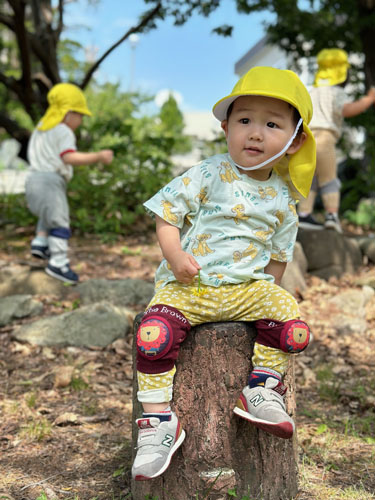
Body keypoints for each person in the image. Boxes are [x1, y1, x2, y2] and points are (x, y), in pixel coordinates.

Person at [132, 66, 316, 481]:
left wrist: (267, 301)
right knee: (153, 336)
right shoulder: (209, 172)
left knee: (291, 324)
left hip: (245, 289)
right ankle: (159, 422)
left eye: (272, 124)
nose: (255, 133)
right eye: (244, 120)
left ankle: (262, 387)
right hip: (190, 287)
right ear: (225, 126)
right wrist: (176, 255)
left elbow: (278, 257)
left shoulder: (285, 198)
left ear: (295, 140)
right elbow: (166, 215)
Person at [25, 82, 113, 284]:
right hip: (50, 180)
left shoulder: (40, 129)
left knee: (47, 214)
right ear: (68, 113)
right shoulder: (63, 131)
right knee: (60, 220)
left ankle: (40, 242)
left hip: (32, 181)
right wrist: (98, 156)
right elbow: (69, 157)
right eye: (80, 115)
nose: (81, 120)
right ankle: (58, 262)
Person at [298, 48, 375, 233]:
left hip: (306, 139)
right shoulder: (336, 92)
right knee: (329, 178)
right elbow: (347, 110)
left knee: (309, 179)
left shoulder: (311, 91)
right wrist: (369, 99)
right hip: (325, 139)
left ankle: (304, 214)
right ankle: (332, 215)